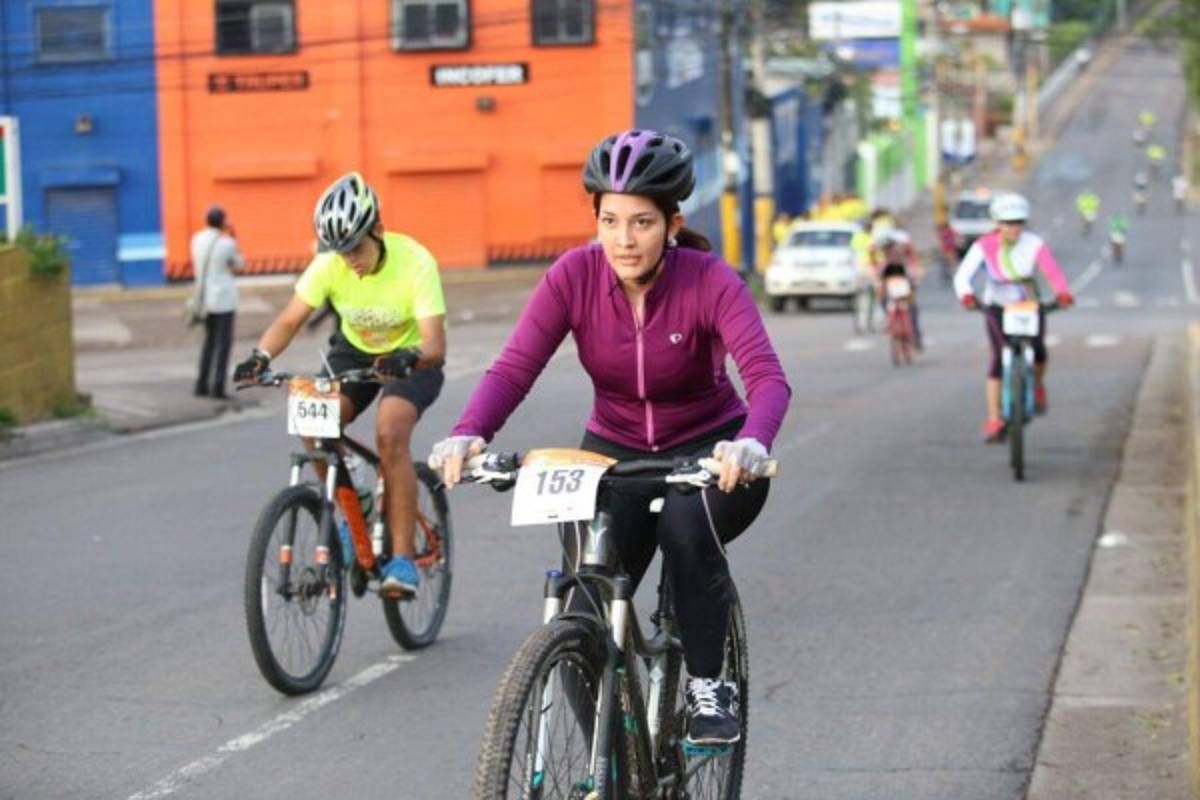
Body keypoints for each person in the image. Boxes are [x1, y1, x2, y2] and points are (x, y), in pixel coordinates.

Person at [428, 129, 791, 746]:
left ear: (672, 224)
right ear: (594, 217)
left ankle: (707, 683)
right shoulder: (572, 276)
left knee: (685, 526)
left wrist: (752, 443)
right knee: (582, 603)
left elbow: (767, 377)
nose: (624, 239)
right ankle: (618, 759)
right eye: (611, 220)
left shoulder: (710, 280)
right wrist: (468, 433)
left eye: (643, 222)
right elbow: (515, 367)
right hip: (613, 448)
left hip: (712, 449)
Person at [232, 171, 448, 598]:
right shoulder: (329, 265)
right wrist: (261, 356)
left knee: (390, 432)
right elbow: (291, 318)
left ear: (379, 232)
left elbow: (435, 343)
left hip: (411, 359)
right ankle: (355, 511)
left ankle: (402, 561)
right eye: (340, 250)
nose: (349, 259)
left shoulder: (415, 262)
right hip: (353, 354)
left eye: (355, 247)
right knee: (312, 423)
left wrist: (410, 356)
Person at [954, 193, 1074, 442]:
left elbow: (1053, 271)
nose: (1013, 228)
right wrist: (966, 296)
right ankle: (994, 417)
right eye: (1008, 223)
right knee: (998, 359)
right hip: (997, 307)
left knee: (1039, 351)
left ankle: (1037, 386)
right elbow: (963, 276)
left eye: (1018, 222)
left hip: (1029, 305)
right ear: (997, 223)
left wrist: (1062, 293)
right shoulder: (984, 246)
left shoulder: (1034, 243)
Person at [192, 205, 244, 400]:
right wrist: (232, 233)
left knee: (209, 342)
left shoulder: (196, 239)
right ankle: (217, 387)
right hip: (223, 299)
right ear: (222, 221)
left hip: (204, 298)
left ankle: (201, 384)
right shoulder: (227, 243)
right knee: (223, 344)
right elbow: (239, 265)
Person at [875, 228, 924, 350]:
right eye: (886, 248)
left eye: (889, 246)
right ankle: (889, 320)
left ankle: (916, 337)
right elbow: (881, 277)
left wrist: (915, 278)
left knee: (912, 308)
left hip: (904, 284)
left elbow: (913, 268)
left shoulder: (902, 256)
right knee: (882, 298)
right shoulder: (883, 261)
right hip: (891, 287)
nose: (888, 250)